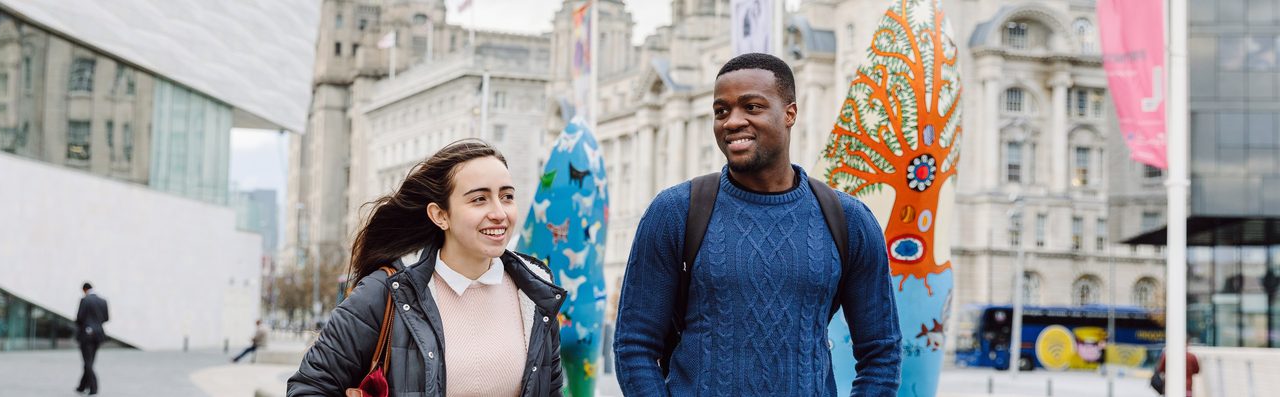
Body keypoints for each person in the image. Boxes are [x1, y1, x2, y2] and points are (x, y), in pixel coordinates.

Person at [613, 53, 902, 396]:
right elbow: (634, 346)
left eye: (751, 107)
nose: (732, 122)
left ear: (790, 113)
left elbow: (881, 353)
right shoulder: (674, 212)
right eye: (721, 111)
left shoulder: (849, 220)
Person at [287, 140, 567, 397]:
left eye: (506, 196)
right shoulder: (386, 293)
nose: (499, 212)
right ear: (440, 215)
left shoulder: (534, 296)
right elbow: (308, 388)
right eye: (479, 199)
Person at [75, 282, 109, 395]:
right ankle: (82, 386)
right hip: (98, 335)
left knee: (88, 362)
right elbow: (106, 318)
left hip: (86, 334)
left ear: (84, 289)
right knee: (90, 361)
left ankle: (93, 387)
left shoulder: (85, 300)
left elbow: (79, 318)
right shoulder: (103, 301)